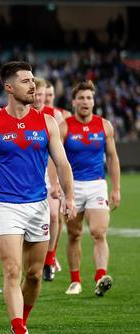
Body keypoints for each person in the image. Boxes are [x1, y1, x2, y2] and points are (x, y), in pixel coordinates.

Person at [0, 61, 75, 334]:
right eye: (26, 81)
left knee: (34, 275)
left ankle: (22, 318)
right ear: (9, 87)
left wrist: (70, 198)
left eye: (33, 80)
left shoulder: (47, 122)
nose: (33, 86)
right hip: (6, 206)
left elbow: (62, 164)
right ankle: (18, 328)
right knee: (13, 270)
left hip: (38, 206)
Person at [62, 80, 121, 297]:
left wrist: (116, 188)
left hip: (97, 184)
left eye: (89, 98)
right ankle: (75, 280)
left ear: (94, 101)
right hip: (73, 186)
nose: (85, 102)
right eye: (81, 98)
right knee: (74, 234)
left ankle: (100, 278)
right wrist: (59, 187)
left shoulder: (104, 126)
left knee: (98, 232)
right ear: (74, 101)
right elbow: (55, 159)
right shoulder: (65, 126)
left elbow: (113, 158)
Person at [32, 78, 64, 282]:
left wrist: (56, 181)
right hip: (30, 173)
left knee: (54, 216)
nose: (38, 97)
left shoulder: (55, 116)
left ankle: (49, 259)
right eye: (35, 93)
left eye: (41, 94)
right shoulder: (21, 113)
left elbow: (58, 151)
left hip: (50, 172)